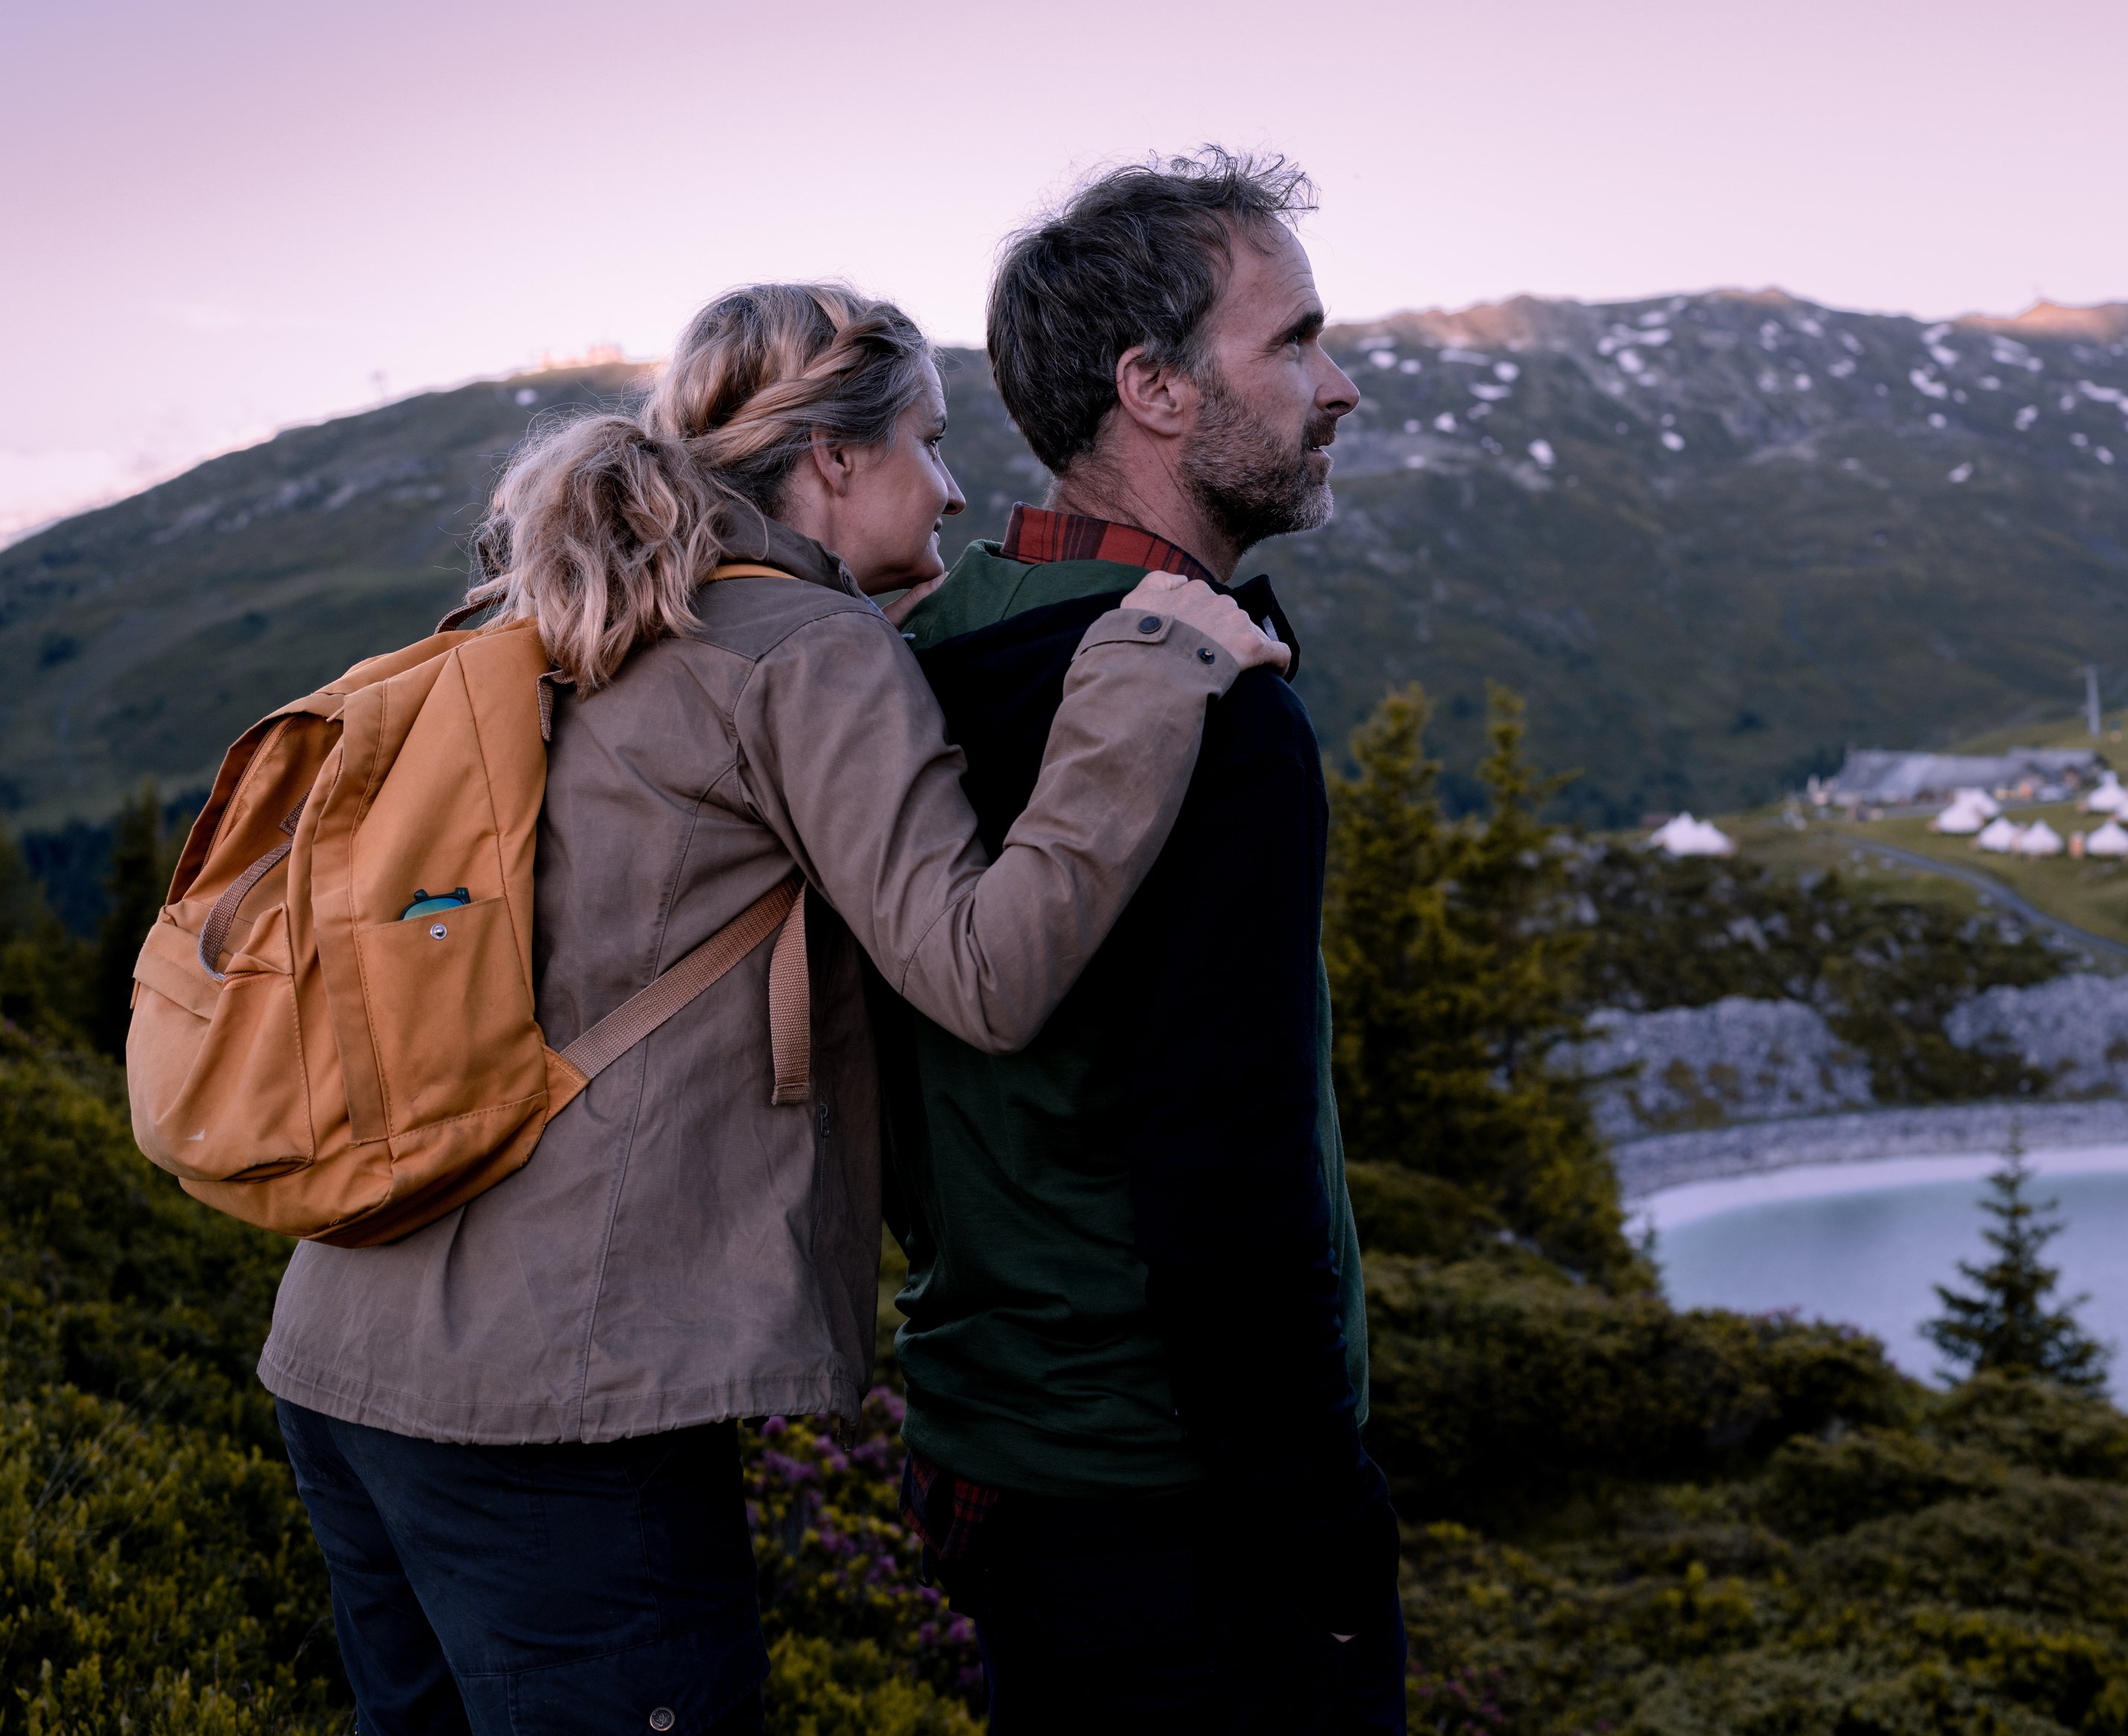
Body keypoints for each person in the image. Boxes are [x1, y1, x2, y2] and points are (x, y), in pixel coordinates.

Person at [258, 282, 1287, 1735]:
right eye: (926, 441)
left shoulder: (573, 613)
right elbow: (983, 972)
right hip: (559, 1392)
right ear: (832, 463)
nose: (948, 482)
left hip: (350, 1344)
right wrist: (1141, 676)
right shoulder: (803, 649)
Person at [885, 150, 1395, 1732]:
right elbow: (1223, 1173)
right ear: (1153, 392)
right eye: (1295, 341)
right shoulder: (1212, 716)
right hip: (1175, 1502)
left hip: (991, 1446)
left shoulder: (914, 666)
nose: (1341, 386)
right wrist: (1316, 1535)